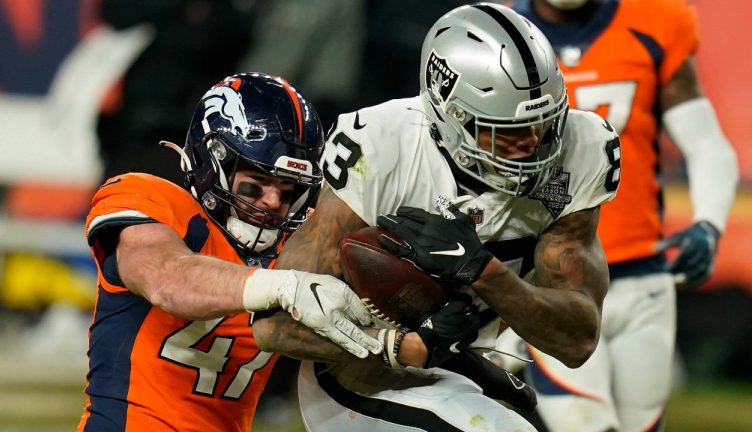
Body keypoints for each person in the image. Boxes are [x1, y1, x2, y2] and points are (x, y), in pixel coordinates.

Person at [253, 3, 621, 430]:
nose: (532, 145)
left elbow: (576, 339)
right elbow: (274, 324)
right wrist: (404, 346)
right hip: (364, 377)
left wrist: (483, 273)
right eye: (506, 132)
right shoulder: (380, 147)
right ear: (451, 116)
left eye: (544, 124)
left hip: (461, 362)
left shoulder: (582, 149)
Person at [76, 73, 386, 431]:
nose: (272, 202)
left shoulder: (299, 247)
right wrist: (282, 286)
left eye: (288, 192)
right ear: (213, 163)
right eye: (256, 185)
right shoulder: (151, 200)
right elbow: (166, 277)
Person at [504, 1, 740, 431]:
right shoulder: (499, 37)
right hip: (551, 276)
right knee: (586, 425)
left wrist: (709, 223)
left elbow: (706, 144)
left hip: (641, 278)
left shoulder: (655, 23)